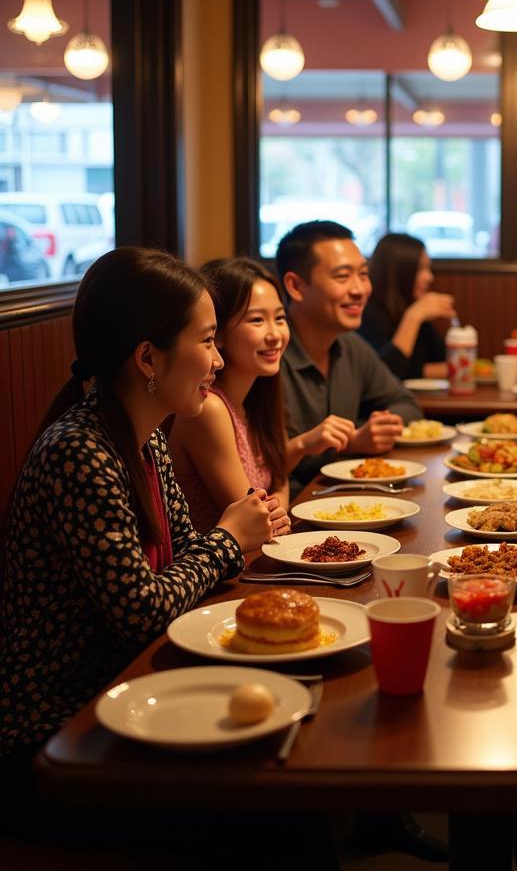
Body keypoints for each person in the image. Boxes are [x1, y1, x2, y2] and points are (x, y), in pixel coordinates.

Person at [0, 247, 285, 762]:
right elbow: (142, 610)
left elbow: (182, 556)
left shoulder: (144, 439)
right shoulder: (79, 452)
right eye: (206, 342)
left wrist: (229, 539)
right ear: (149, 358)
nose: (218, 361)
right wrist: (228, 540)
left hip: (135, 685)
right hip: (59, 727)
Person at [170, 258, 352, 531]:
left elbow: (276, 479)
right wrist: (277, 507)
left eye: (279, 318)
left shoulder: (257, 395)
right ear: (217, 333)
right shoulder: (209, 408)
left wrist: (300, 446)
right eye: (257, 320)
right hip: (221, 570)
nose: (275, 334)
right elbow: (259, 518)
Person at [276, 220, 422, 492]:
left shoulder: (350, 347)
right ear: (296, 286)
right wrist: (353, 440)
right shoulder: (270, 355)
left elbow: (406, 403)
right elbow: (266, 464)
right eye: (342, 276)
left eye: (363, 275)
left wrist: (374, 429)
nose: (359, 290)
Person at [359, 232, 454, 380]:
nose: (429, 277)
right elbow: (383, 375)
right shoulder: (367, 312)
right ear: (400, 272)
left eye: (428, 268)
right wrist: (414, 317)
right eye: (421, 269)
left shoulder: (410, 307)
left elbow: (445, 362)